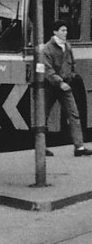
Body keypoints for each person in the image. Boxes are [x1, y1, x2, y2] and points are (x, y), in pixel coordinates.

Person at [42, 20, 92, 157]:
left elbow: (72, 63)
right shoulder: (47, 49)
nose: (66, 33)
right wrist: (59, 82)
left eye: (66, 30)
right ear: (55, 32)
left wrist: (71, 76)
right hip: (51, 87)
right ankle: (41, 147)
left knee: (74, 114)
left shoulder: (67, 47)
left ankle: (79, 147)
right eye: (63, 30)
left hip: (66, 85)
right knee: (43, 116)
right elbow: (47, 69)